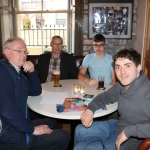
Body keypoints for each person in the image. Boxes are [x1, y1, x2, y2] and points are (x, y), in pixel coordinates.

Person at [0, 37, 70, 150]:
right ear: (7, 52)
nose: (23, 55)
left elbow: (36, 91)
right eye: (19, 51)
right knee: (64, 136)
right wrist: (32, 130)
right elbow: (7, 110)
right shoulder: (3, 71)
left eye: (25, 52)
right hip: (11, 136)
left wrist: (32, 72)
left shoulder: (17, 72)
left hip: (19, 122)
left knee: (52, 122)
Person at [74, 48, 150, 150]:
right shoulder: (122, 85)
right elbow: (105, 96)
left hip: (127, 144)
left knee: (79, 148)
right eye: (118, 67)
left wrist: (129, 131)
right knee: (79, 130)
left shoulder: (147, 93)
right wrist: (90, 110)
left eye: (128, 66)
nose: (122, 72)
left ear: (138, 67)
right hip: (117, 127)